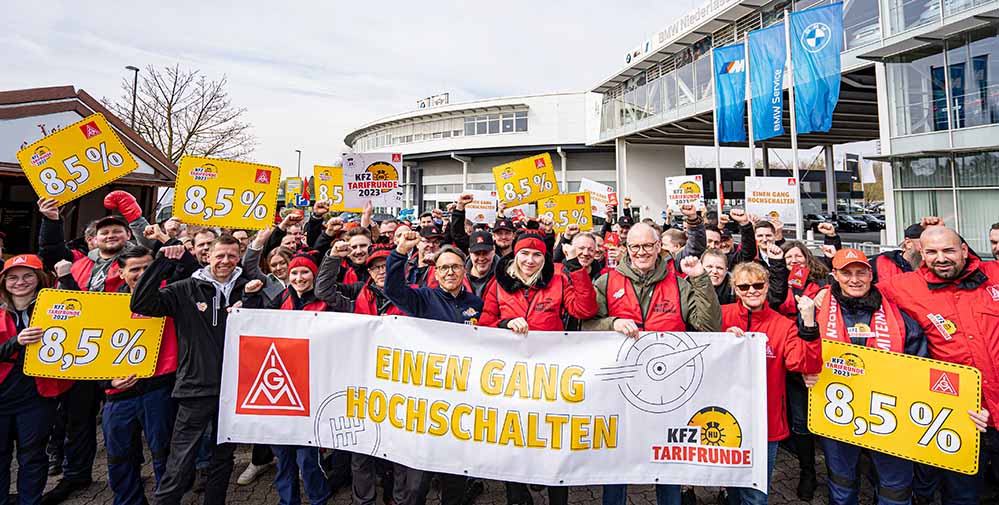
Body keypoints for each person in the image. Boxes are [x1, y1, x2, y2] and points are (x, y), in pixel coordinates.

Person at [583, 223, 721, 505]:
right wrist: (612, 322)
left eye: (648, 246)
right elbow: (585, 327)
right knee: (616, 462)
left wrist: (701, 279)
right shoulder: (606, 282)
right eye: (635, 246)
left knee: (666, 461)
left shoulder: (679, 284)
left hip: (667, 391)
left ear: (659, 247)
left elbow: (708, 327)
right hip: (619, 391)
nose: (641, 252)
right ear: (627, 248)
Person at [797, 248, 931, 505]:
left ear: (871, 275)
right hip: (838, 412)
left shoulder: (898, 312)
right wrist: (805, 373)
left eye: (861, 272)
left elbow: (920, 361)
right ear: (834, 276)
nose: (854, 279)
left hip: (890, 414)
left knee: (895, 487)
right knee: (842, 482)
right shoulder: (816, 312)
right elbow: (801, 354)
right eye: (846, 273)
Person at [878, 226, 998, 504]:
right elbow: (856, 291)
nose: (940, 258)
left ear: (964, 250)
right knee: (961, 496)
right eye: (931, 252)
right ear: (921, 253)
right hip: (961, 418)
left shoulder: (995, 274)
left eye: (948, 250)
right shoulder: (906, 286)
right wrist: (827, 294)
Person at [477, 231, 596, 505]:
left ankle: (556, 494)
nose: (530, 260)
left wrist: (576, 269)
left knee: (553, 442)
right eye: (525, 254)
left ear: (545, 257)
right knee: (514, 439)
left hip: (550, 376)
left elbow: (584, 310)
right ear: (515, 255)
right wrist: (505, 325)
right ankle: (517, 496)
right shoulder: (499, 284)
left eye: (537, 255)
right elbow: (483, 325)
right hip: (512, 377)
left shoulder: (558, 281)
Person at [131, 235, 251, 505]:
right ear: (207, 255)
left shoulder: (248, 287)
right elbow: (141, 303)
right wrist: (161, 262)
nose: (225, 261)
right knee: (181, 459)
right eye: (220, 255)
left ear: (239, 257)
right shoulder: (185, 288)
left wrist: (253, 303)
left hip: (234, 390)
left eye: (232, 256)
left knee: (223, 458)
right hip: (196, 386)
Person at [384, 231, 483, 505]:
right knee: (416, 486)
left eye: (455, 267)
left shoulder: (475, 304)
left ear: (465, 270)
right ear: (435, 273)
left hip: (462, 403)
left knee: (454, 482)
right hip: (427, 405)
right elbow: (393, 290)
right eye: (443, 268)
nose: (449, 272)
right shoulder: (423, 299)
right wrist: (399, 253)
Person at [243, 251, 344, 505]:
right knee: (283, 458)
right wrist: (247, 299)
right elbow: (260, 326)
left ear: (313, 275)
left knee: (308, 459)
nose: (299, 278)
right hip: (282, 388)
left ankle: (318, 498)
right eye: (294, 273)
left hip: (312, 388)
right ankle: (288, 501)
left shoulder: (326, 302)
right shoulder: (281, 298)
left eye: (305, 272)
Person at [99, 244, 193, 505]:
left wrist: (178, 254)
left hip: (159, 391)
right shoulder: (104, 304)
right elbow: (87, 352)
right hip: (117, 395)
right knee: (119, 456)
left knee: (164, 453)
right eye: (134, 269)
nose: (141, 274)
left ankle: (167, 500)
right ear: (120, 272)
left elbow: (193, 274)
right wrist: (108, 380)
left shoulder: (170, 297)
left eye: (147, 268)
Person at [721, 261, 821, 505]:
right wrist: (721, 344)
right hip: (726, 420)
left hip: (765, 422)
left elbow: (803, 364)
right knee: (733, 489)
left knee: (755, 495)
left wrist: (808, 323)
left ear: (767, 287)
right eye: (744, 286)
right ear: (735, 288)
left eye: (758, 284)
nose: (752, 290)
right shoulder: (722, 315)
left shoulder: (783, 325)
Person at [1, 255, 73, 505]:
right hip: (2, 395)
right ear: (4, 282)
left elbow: (82, 314)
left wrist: (66, 277)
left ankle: (30, 501)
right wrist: (15, 342)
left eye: (27, 276)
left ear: (39, 278)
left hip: (37, 396)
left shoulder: (54, 306)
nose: (20, 282)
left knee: (32, 456)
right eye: (13, 277)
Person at [465, 231, 500, 298]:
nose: (481, 258)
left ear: (494, 250)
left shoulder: (504, 277)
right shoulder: (459, 276)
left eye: (485, 253)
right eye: (477, 253)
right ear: (469, 252)